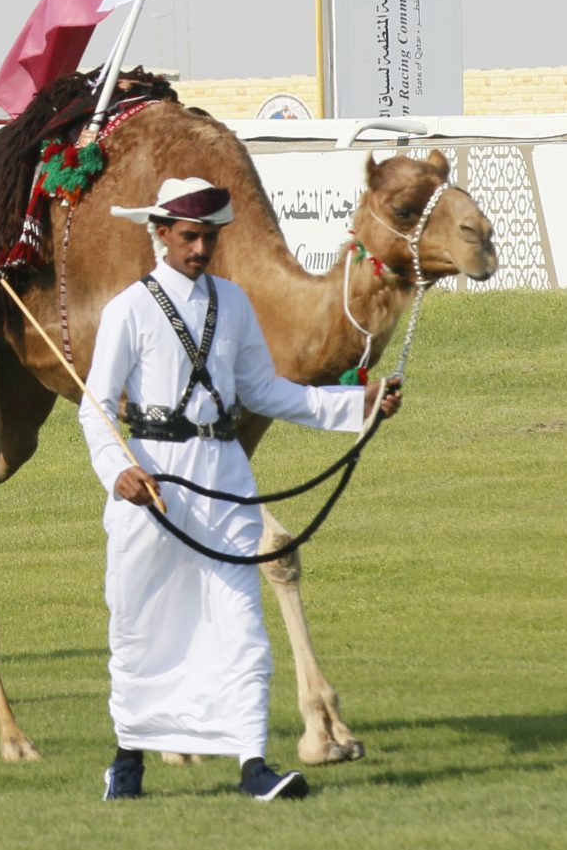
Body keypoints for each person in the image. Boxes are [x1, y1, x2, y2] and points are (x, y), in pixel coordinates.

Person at [79, 178, 403, 803]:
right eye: (189, 236)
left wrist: (357, 404)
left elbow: (268, 393)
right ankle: (128, 760)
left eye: (209, 237)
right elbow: (94, 407)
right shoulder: (130, 309)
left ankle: (254, 762)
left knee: (242, 623)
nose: (200, 248)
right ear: (161, 235)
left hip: (225, 476)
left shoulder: (233, 303)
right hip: (155, 480)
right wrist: (116, 470)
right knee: (140, 622)